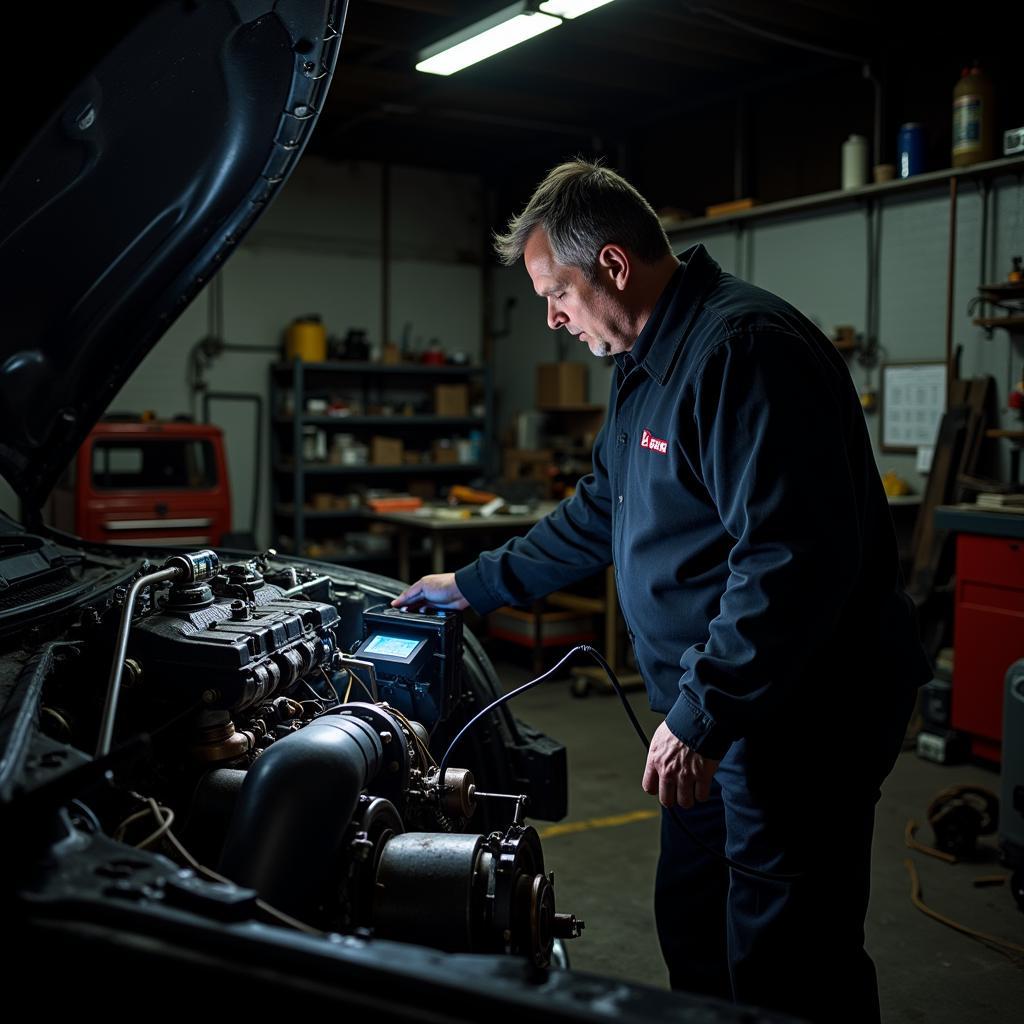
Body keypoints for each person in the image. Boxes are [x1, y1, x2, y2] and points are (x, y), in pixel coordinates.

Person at [392, 159, 930, 1022]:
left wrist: (701, 713)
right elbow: (599, 512)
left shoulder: (742, 351)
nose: (551, 317)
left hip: (795, 717)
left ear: (611, 265)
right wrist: (472, 585)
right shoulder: (644, 365)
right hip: (718, 717)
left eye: (554, 292)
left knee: (788, 959)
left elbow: (788, 560)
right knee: (694, 925)